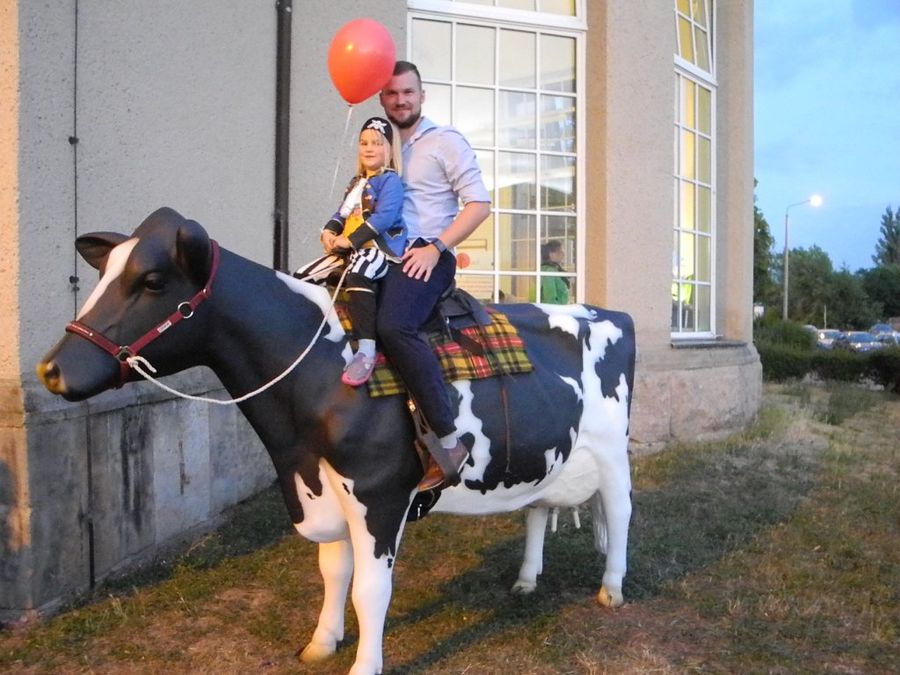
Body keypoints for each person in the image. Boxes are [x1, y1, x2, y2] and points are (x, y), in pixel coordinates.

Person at [377, 61, 491, 492]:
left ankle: (449, 441)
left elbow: (478, 204)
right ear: (381, 99)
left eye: (408, 92)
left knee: (394, 325)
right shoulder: (381, 147)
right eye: (392, 93)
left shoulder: (445, 142)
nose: (400, 100)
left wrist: (436, 248)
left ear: (422, 96)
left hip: (428, 255)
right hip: (385, 257)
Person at [296, 116, 407, 386]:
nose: (369, 148)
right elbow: (342, 213)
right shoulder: (356, 182)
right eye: (364, 143)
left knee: (359, 273)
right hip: (350, 248)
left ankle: (366, 351)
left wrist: (351, 240)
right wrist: (329, 231)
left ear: (389, 150)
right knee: (303, 276)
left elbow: (384, 217)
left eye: (377, 144)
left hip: (378, 248)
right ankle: (305, 338)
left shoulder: (390, 182)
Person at [540, 240, 570, 304]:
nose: (563, 254)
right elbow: (549, 297)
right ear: (551, 254)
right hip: (555, 310)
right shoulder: (549, 271)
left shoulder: (550, 269)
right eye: (560, 251)